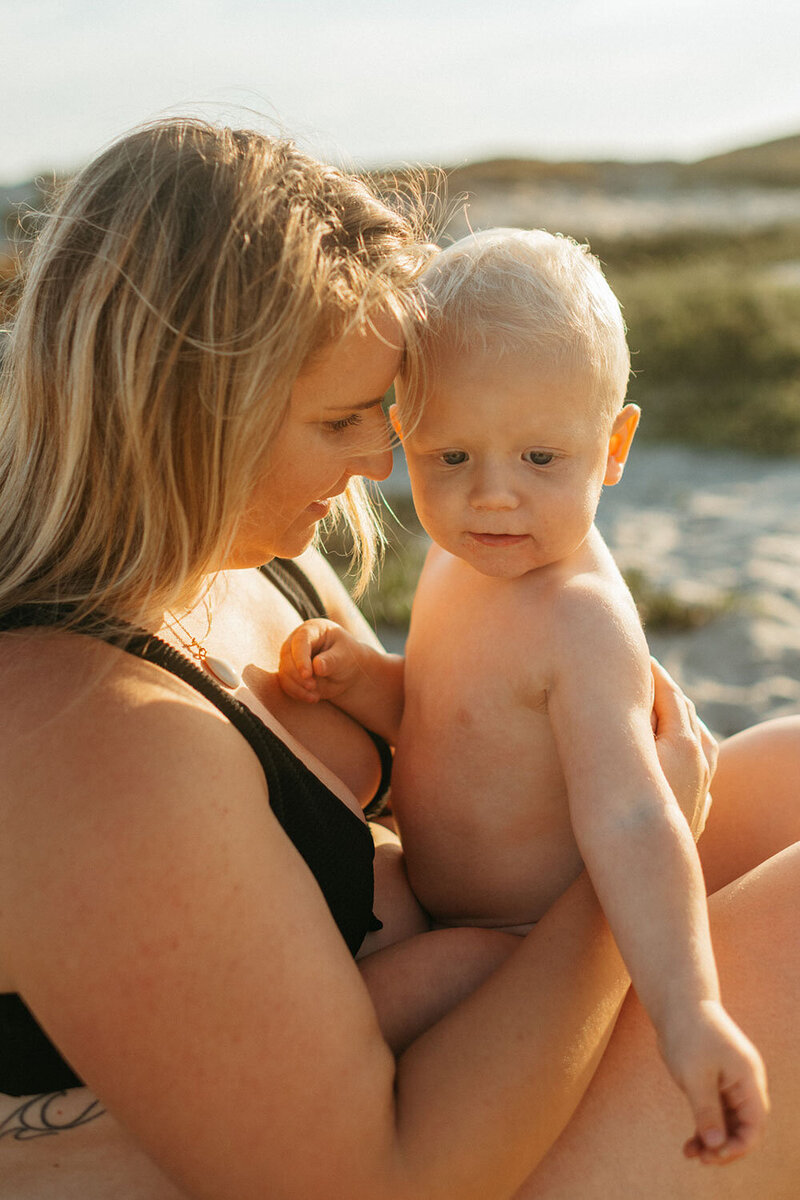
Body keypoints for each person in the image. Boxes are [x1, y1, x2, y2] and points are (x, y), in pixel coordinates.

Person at [0, 120, 797, 1200]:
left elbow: (443, 737)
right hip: (421, 1147)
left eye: (382, 411)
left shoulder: (257, 560)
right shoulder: (82, 731)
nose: (381, 458)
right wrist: (618, 905)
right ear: (190, 416)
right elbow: (363, 1179)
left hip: (476, 972)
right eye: (339, 421)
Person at [278, 228, 768, 1161]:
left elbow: (633, 817)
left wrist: (690, 1008)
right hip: (446, 899)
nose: (492, 498)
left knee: (334, 1023)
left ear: (613, 444)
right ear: (404, 433)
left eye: (541, 459)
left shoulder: (579, 618)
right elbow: (449, 723)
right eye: (450, 457)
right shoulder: (466, 562)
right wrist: (364, 682)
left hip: (521, 937)